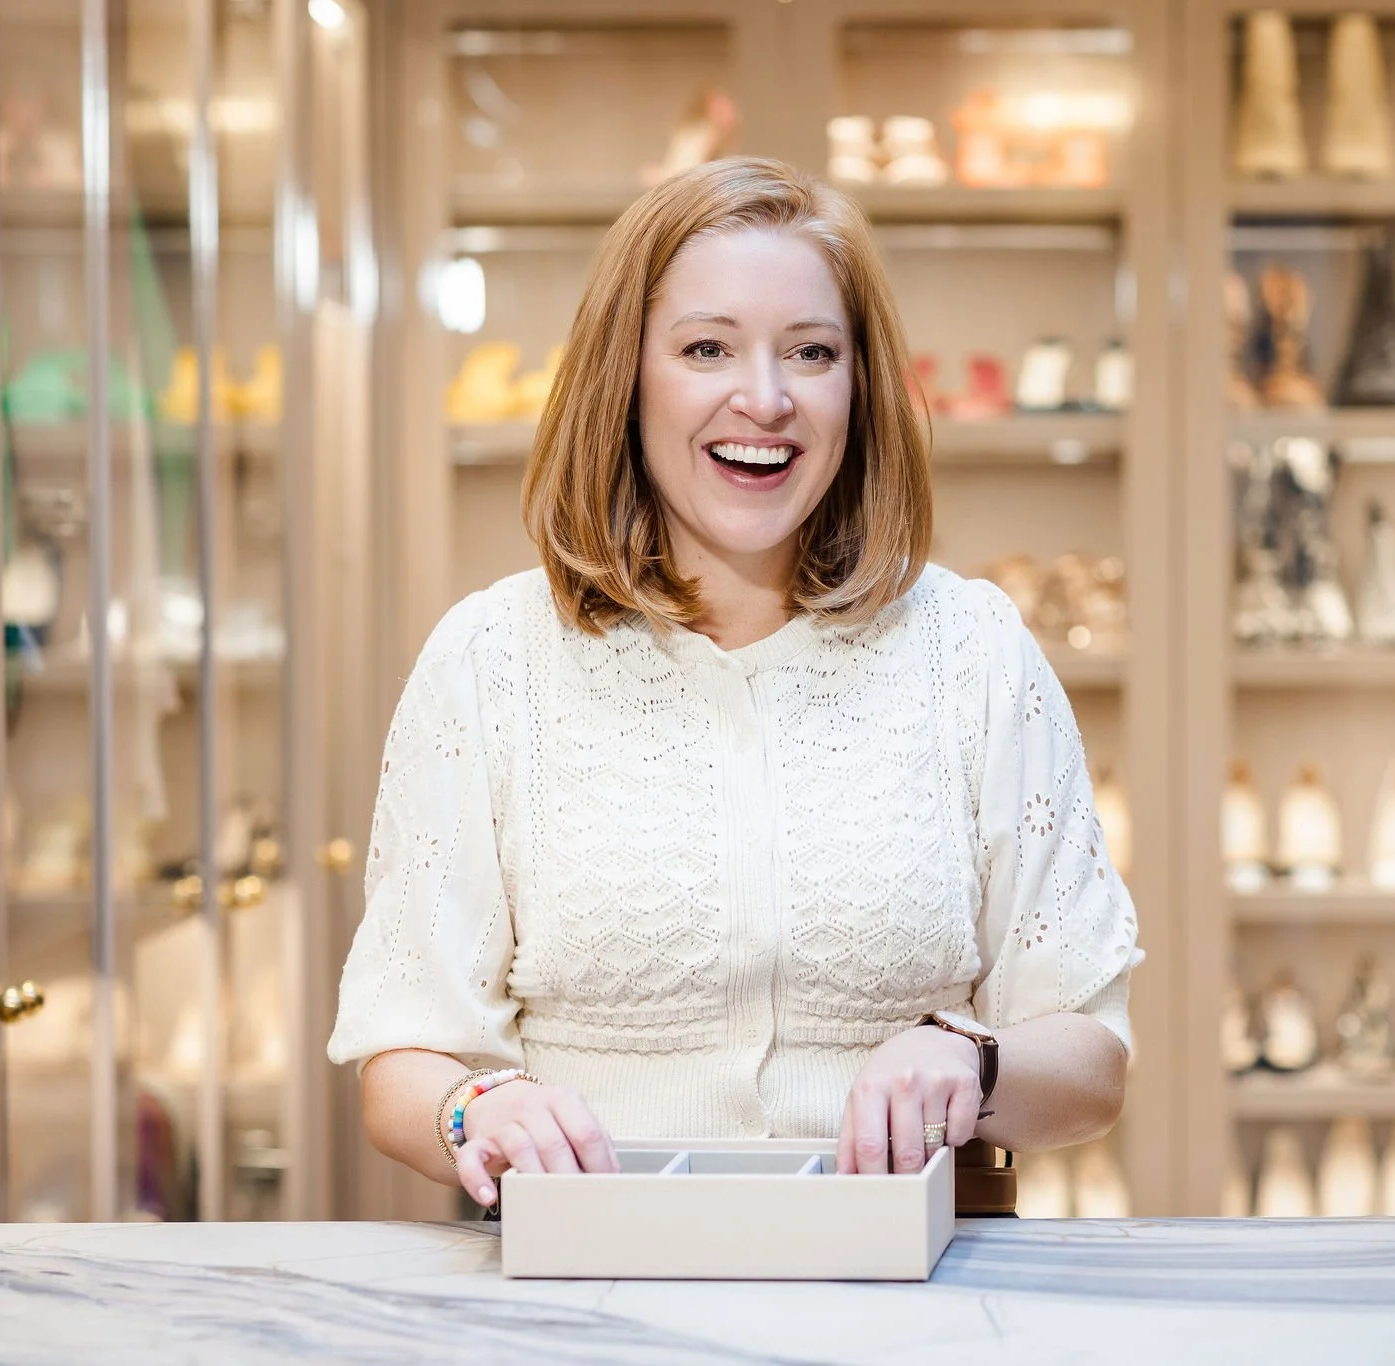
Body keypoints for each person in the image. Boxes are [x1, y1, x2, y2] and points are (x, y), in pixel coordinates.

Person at [327, 157, 1141, 1211]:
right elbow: (403, 1066)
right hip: (588, 1278)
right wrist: (473, 1109)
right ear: (626, 376)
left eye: (810, 351)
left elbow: (1091, 1063)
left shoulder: (973, 652)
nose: (763, 398)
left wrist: (970, 1063)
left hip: (910, 1284)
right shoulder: (490, 661)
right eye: (706, 347)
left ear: (859, 387)